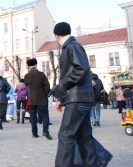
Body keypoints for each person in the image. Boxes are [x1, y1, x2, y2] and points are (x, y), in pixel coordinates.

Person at [53, 22, 98, 167]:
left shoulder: (72, 46)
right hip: (81, 98)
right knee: (84, 135)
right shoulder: (72, 46)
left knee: (66, 134)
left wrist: (64, 86)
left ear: (57, 35)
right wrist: (61, 98)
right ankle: (92, 163)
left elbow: (81, 69)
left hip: (77, 99)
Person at [24, 58, 52, 140]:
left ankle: (34, 133)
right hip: (42, 98)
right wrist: (46, 94)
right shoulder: (41, 74)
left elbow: (26, 84)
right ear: (36, 65)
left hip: (32, 99)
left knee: (33, 116)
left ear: (29, 66)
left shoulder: (27, 75)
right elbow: (47, 86)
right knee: (45, 115)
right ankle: (45, 131)